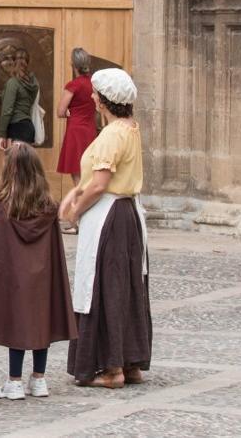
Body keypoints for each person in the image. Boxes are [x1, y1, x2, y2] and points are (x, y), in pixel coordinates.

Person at [59, 68, 150, 389]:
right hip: (126, 216)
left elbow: (99, 184)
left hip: (109, 217)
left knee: (104, 286)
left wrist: (74, 212)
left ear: (103, 102)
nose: (93, 97)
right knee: (124, 286)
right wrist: (76, 193)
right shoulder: (130, 128)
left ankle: (111, 369)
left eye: (96, 94)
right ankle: (129, 360)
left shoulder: (112, 134)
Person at [0, 142, 77, 400]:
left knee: (17, 321)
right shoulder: (48, 206)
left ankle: (14, 381)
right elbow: (54, 250)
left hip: (14, 277)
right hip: (43, 276)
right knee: (40, 321)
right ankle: (39, 379)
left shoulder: (3, 205)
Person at [56, 48, 97, 185]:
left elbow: (60, 111)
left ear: (73, 64)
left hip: (75, 131)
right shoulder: (95, 84)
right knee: (89, 170)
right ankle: (88, 202)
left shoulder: (73, 85)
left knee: (77, 173)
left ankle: (81, 203)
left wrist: (68, 111)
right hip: (90, 130)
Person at [0, 49, 40, 149]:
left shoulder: (13, 83)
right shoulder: (33, 83)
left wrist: (2, 134)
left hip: (16, 129)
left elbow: (7, 110)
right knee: (25, 164)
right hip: (28, 129)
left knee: (13, 164)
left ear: (13, 62)